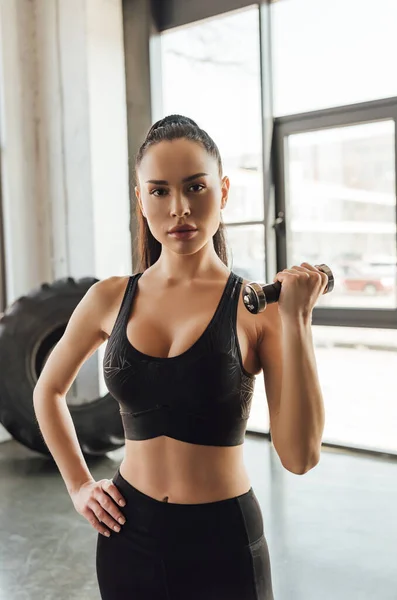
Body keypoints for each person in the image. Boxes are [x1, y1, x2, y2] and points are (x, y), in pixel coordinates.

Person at [34, 114, 286, 599]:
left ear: (224, 190)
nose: (179, 209)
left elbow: (298, 451)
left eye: (195, 187)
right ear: (140, 199)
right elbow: (48, 389)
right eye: (159, 191)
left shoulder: (255, 306)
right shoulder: (109, 297)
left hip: (224, 539)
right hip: (130, 534)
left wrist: (296, 320)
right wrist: (80, 485)